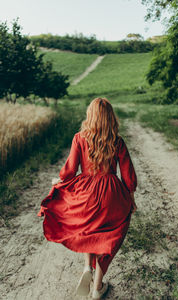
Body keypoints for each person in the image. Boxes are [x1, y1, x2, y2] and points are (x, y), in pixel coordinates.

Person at [38, 97, 137, 299]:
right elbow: (128, 177)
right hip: (111, 194)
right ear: (110, 117)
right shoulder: (117, 141)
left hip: (87, 191)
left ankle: (86, 269)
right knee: (109, 236)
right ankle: (97, 287)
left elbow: (70, 170)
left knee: (88, 229)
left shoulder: (79, 138)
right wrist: (131, 198)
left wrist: (60, 180)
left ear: (90, 116)